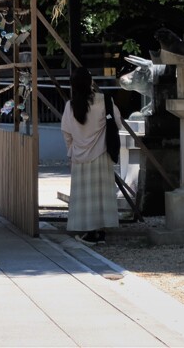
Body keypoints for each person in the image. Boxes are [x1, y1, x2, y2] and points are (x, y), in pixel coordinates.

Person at [61, 67, 120, 245]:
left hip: (80, 157)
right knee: (101, 194)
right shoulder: (104, 101)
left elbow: (66, 132)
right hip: (101, 153)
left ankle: (89, 230)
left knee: (84, 196)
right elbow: (117, 122)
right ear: (90, 82)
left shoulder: (70, 106)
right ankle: (100, 231)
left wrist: (72, 150)